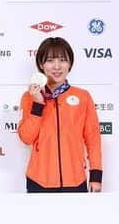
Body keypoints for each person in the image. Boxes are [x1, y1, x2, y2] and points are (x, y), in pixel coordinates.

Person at [17, 37, 103, 192]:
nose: (57, 66)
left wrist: (96, 175)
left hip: (75, 181)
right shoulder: (29, 96)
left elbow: (93, 138)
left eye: (63, 60)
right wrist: (38, 104)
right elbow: (26, 137)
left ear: (70, 64)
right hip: (39, 181)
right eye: (50, 60)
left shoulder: (83, 96)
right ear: (41, 65)